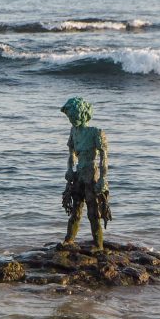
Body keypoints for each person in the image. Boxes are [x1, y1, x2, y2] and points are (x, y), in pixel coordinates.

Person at [60, 97, 112, 251]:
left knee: (93, 211)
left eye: (73, 116)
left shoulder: (95, 132)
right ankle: (69, 240)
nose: (71, 120)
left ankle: (98, 244)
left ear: (82, 114)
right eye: (69, 117)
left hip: (91, 174)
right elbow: (71, 154)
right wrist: (69, 169)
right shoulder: (73, 132)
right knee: (76, 209)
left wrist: (103, 179)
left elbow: (104, 157)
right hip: (79, 175)